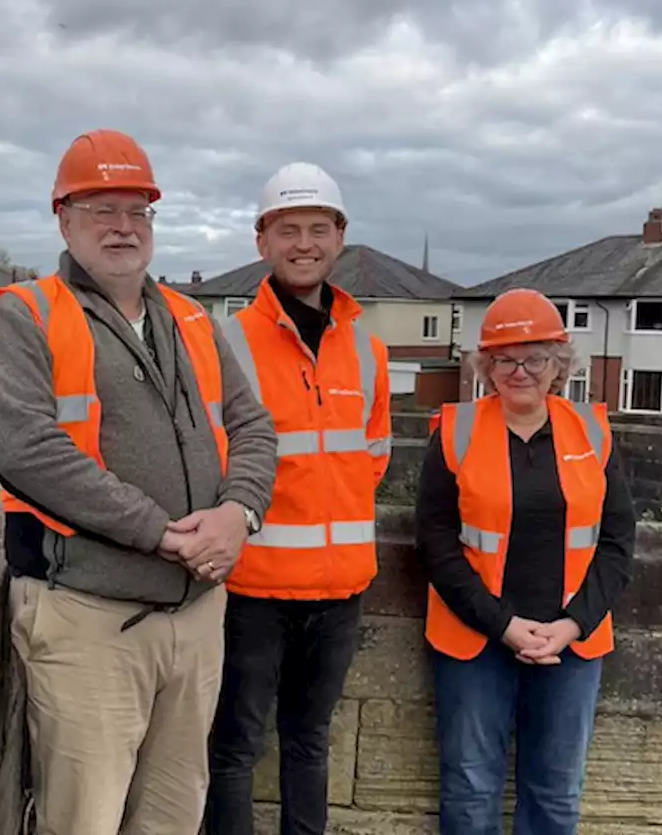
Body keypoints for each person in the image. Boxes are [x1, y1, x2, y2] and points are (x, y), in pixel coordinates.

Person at [0, 128, 279, 835]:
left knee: (173, 816)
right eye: (101, 209)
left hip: (197, 619)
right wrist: (161, 533)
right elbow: (29, 452)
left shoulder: (194, 320)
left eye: (137, 211)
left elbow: (255, 429)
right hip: (89, 621)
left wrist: (239, 515)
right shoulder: (26, 314)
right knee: (86, 820)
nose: (122, 227)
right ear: (64, 219)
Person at [206, 162, 392, 835]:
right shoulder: (228, 342)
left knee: (310, 743)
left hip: (340, 591)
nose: (304, 243)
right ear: (263, 241)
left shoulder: (367, 350)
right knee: (234, 745)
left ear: (340, 238)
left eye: (319, 229)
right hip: (253, 589)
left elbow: (373, 462)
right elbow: (217, 462)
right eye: (288, 230)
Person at [415, 288, 637, 835]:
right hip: (475, 640)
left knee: (557, 794)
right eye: (505, 359)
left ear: (558, 364)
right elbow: (436, 545)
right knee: (469, 791)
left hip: (573, 644)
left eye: (535, 357)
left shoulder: (592, 432)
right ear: (486, 366)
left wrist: (570, 625)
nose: (520, 371)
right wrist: (504, 626)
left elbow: (616, 543)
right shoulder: (455, 433)